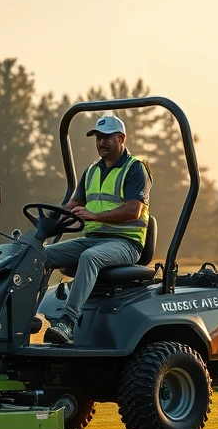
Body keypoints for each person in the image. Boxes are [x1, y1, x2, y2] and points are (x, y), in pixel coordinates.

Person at [44, 113, 152, 345]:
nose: (101, 143)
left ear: (121, 138)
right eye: (97, 138)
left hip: (126, 243)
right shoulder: (92, 170)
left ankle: (68, 322)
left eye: (106, 138)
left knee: (90, 257)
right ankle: (28, 317)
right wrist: (47, 222)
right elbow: (73, 204)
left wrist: (95, 215)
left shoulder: (135, 169)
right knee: (40, 256)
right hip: (93, 238)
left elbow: (133, 210)